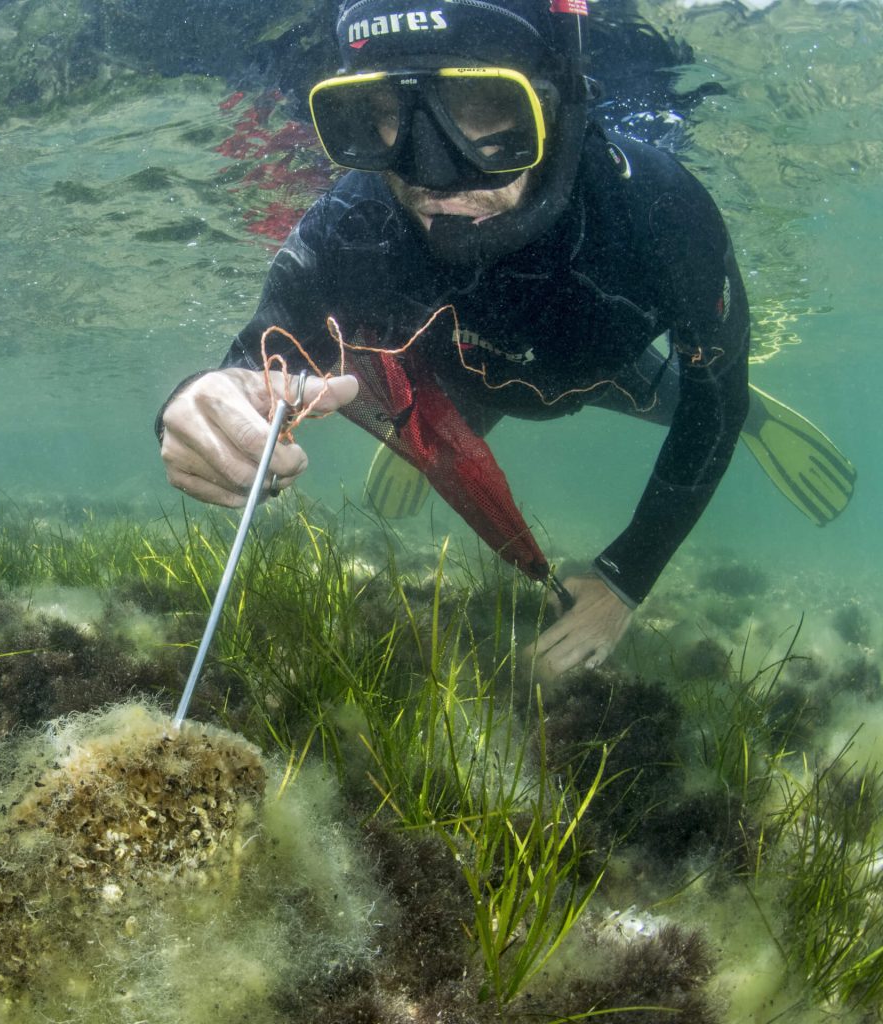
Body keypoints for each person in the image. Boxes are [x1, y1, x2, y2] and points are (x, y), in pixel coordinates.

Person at [157, 0, 756, 676]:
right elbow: (259, 357)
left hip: (606, 371)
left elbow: (716, 402)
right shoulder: (357, 219)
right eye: (383, 113)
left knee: (702, 395)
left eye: (481, 106)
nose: (430, 174)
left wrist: (624, 580)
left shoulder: (658, 213)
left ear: (555, 100)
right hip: (470, 377)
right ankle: (466, 413)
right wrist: (202, 400)